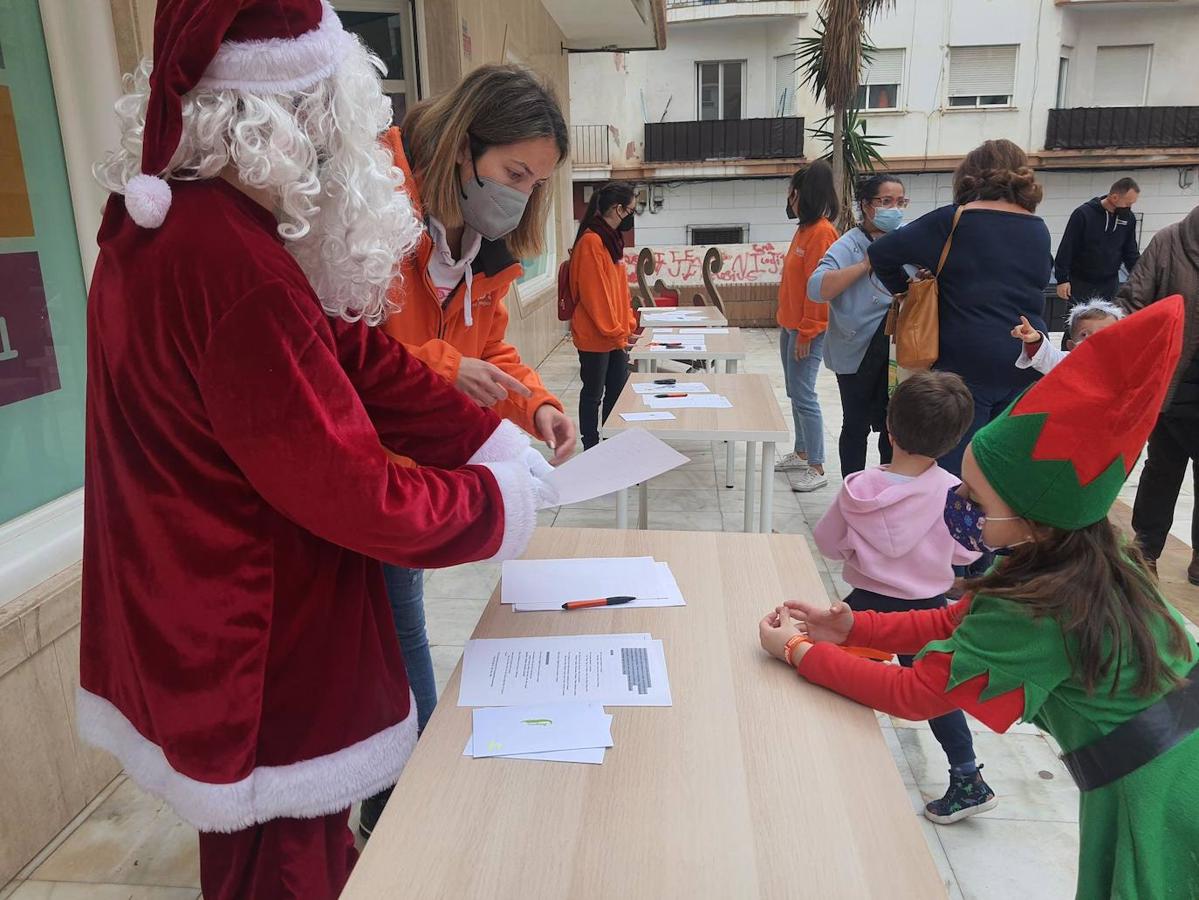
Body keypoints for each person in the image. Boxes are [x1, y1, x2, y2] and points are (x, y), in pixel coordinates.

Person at [82, 4, 555, 897]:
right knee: (286, 867)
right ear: (298, 116)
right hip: (262, 647)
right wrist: (495, 507)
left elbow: (349, 349)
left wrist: (482, 435)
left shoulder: (184, 226)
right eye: (343, 118)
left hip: (194, 612)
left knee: (262, 853)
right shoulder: (236, 265)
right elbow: (348, 487)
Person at [760, 296, 1199, 900]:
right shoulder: (1088, 555)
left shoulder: (1040, 606)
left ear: (1033, 517)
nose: (961, 504)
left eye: (977, 500)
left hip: (1161, 793)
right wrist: (853, 627)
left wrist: (798, 653)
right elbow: (954, 618)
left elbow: (914, 694)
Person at [360, 64, 574, 838]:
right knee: (386, 634)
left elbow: (494, 351)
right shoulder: (375, 214)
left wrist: (539, 404)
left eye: (536, 180)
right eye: (513, 171)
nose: (521, 192)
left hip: (414, 474)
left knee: (399, 623)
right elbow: (344, 351)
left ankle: (395, 793)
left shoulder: (480, 246)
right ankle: (398, 800)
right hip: (357, 470)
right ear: (462, 147)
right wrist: (451, 369)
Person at [813, 370, 996, 822]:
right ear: (953, 439)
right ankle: (966, 776)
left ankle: (833, 773)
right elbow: (966, 551)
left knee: (839, 684)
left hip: (863, 610)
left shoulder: (858, 488)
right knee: (937, 696)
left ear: (889, 429)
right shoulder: (954, 493)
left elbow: (828, 543)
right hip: (928, 612)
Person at [869, 139, 1052, 477]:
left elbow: (881, 254)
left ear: (970, 174)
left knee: (951, 474)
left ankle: (949, 530)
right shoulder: (1037, 228)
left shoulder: (953, 221)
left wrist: (905, 293)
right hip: (1026, 359)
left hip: (965, 363)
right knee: (998, 472)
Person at [1117, 206, 1199, 582]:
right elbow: (1133, 301)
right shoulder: (1169, 241)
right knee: (1162, 470)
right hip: (1172, 385)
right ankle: (1145, 550)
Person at [807, 173, 905, 475]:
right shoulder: (848, 244)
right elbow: (817, 287)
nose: (894, 209)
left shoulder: (908, 239)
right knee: (856, 424)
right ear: (866, 205)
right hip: (856, 350)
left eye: (900, 202)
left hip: (897, 351)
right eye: (885, 201)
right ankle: (853, 490)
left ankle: (887, 491)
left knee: (895, 426)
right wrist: (865, 265)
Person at [776, 160, 840, 491]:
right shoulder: (803, 230)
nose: (789, 198)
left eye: (792, 192)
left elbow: (820, 288)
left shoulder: (822, 233)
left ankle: (816, 465)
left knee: (804, 394)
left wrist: (808, 329)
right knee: (793, 391)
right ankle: (801, 452)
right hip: (790, 326)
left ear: (803, 194)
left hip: (806, 330)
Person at [569, 181, 638, 449]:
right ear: (618, 209)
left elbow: (621, 291)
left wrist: (627, 325)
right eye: (631, 210)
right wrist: (615, 330)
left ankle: (610, 443)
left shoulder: (612, 241)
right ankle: (591, 446)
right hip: (595, 336)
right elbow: (594, 295)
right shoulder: (591, 241)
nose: (632, 215)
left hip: (615, 336)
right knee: (593, 394)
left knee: (616, 393)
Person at [1054, 177, 1142, 304]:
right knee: (1079, 321)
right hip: (1081, 282)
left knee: (1108, 322)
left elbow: (1130, 252)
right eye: (1128, 204)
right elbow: (1067, 247)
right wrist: (1062, 279)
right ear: (1114, 197)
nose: (1129, 207)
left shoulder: (1128, 219)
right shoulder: (1083, 214)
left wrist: (1139, 278)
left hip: (1109, 284)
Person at [1010, 299, 1124, 374]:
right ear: (1071, 346)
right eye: (1084, 334)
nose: (1093, 339)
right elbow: (1047, 356)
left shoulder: (1125, 366)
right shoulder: (1068, 363)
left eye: (1103, 334)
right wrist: (1035, 341)